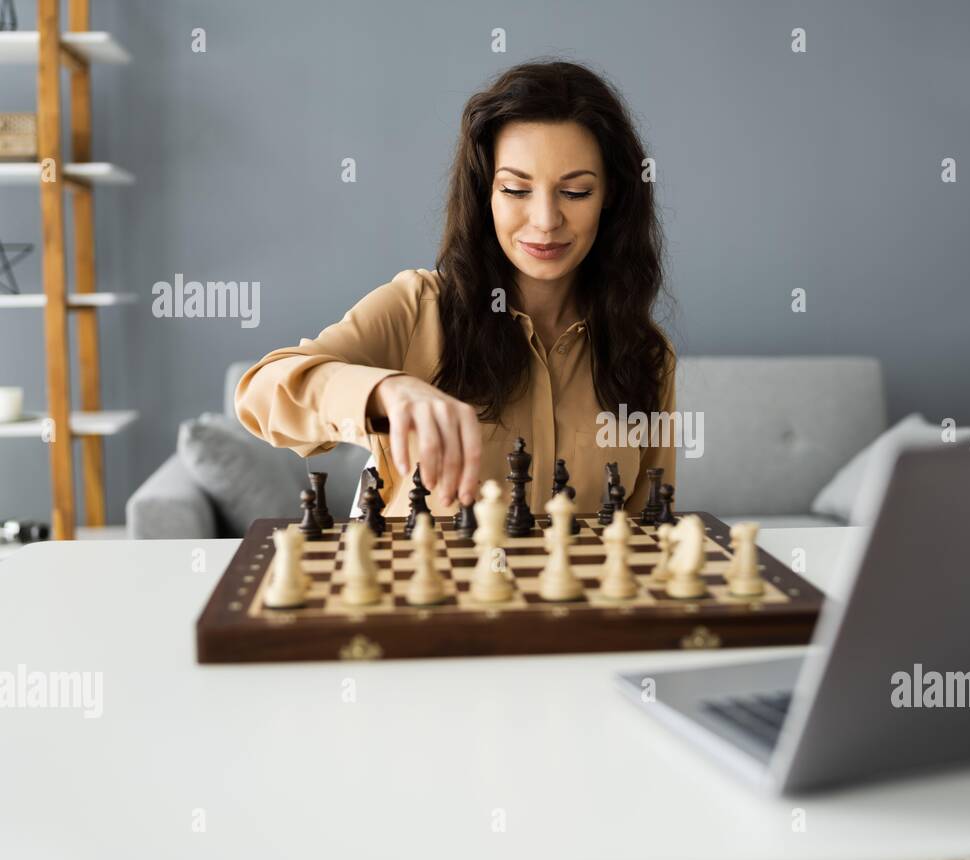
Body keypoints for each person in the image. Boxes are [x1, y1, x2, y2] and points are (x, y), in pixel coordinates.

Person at [236, 59, 676, 518]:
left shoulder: (647, 354)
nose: (546, 221)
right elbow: (260, 395)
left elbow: (650, 529)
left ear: (612, 198)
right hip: (422, 587)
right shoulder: (415, 309)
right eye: (515, 190)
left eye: (577, 192)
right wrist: (385, 391)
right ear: (485, 194)